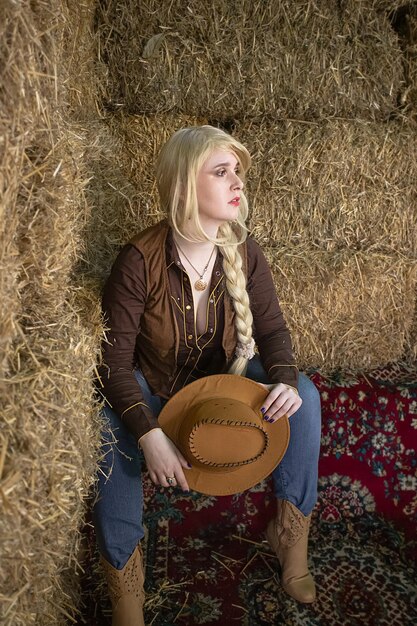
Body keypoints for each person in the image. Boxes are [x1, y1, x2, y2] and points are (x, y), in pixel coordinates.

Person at [93, 125, 321, 626]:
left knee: (303, 394)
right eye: (222, 172)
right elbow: (112, 363)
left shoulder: (245, 250)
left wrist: (282, 378)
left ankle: (290, 539)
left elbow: (274, 329)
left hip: (224, 382)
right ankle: (125, 586)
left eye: (238, 171)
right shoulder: (139, 260)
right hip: (157, 387)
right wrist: (148, 433)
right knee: (110, 430)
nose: (237, 181)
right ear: (182, 187)